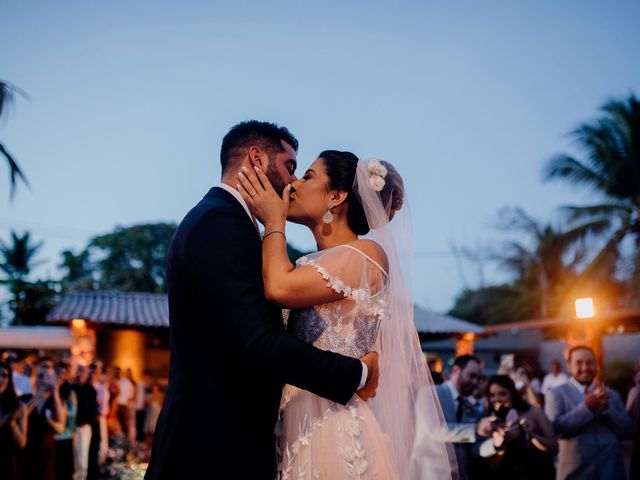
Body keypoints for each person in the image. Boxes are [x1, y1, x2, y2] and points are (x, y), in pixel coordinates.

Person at [145, 122, 379, 480]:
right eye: (289, 167)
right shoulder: (220, 222)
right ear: (256, 158)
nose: (292, 182)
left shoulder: (228, 221)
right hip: (211, 445)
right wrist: (357, 372)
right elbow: (257, 342)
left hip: (249, 439)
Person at [238, 150, 456, 479]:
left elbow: (279, 288)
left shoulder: (366, 254)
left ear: (336, 197)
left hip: (332, 423)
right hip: (296, 420)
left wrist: (273, 221)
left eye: (308, 176)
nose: (293, 184)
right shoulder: (309, 265)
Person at [545, 345, 636, 480]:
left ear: (596, 365)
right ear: (569, 366)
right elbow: (556, 429)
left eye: (589, 363)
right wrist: (587, 407)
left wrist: (608, 410)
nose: (585, 367)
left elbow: (629, 431)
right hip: (575, 474)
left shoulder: (612, 395)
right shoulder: (556, 394)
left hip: (612, 472)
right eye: (579, 363)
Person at [415, 354, 493, 480]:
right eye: (472, 376)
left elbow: (473, 450)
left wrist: (496, 443)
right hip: (430, 474)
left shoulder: (468, 404)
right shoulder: (429, 393)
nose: (475, 382)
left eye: (478, 378)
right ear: (456, 370)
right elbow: (435, 429)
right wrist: (476, 428)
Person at [483, 375, 556, 480]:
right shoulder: (489, 421)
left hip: (538, 473)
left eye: (502, 394)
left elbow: (554, 446)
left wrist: (531, 435)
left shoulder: (533, 412)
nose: (497, 399)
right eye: (492, 395)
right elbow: (491, 465)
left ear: (512, 394)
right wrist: (502, 443)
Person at [20, 359, 66, 480]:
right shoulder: (25, 398)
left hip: (47, 452)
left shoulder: (56, 401)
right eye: (40, 376)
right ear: (34, 379)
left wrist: (55, 394)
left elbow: (62, 423)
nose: (44, 380)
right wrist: (38, 396)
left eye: (48, 377)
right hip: (28, 450)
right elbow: (21, 415)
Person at [0, 361, 28, 480]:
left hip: (7, 465)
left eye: (4, 375)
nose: (0, 379)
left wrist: (12, 424)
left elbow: (22, 443)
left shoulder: (19, 407)